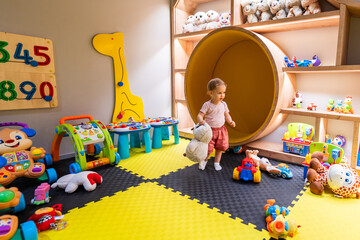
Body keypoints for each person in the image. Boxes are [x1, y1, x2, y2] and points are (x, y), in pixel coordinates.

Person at [197, 78, 235, 171]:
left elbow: (227, 114)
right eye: (219, 93)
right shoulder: (207, 105)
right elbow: (200, 115)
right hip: (209, 131)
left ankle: (217, 163)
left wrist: (230, 121)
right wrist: (201, 121)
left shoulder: (223, 104)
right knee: (208, 149)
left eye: (224, 92)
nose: (222, 95)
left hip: (221, 130)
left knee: (220, 147)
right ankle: (204, 161)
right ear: (211, 93)